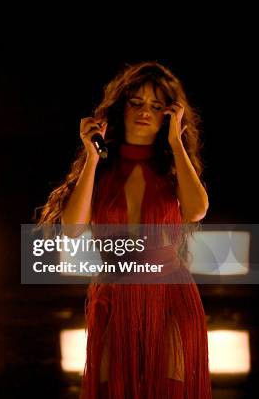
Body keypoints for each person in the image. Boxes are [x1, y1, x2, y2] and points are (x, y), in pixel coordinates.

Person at [39, 62, 212, 398]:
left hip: (168, 294)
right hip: (115, 294)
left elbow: (197, 209)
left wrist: (176, 142)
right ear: (122, 106)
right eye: (136, 102)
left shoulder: (171, 166)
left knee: (169, 389)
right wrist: (91, 157)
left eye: (156, 106)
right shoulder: (102, 169)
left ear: (169, 114)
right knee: (112, 389)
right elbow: (73, 230)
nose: (145, 112)